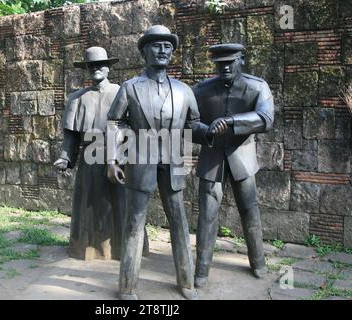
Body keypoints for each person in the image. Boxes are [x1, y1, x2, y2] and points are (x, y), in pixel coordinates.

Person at [107, 25, 211, 300]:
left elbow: (194, 124)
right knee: (134, 224)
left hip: (174, 162)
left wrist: (210, 132)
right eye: (156, 45)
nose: (163, 49)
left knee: (179, 222)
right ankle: (127, 287)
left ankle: (186, 283)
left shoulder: (184, 90)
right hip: (140, 160)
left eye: (168, 46)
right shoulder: (130, 88)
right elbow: (116, 122)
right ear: (144, 52)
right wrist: (112, 159)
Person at [53, 46, 149, 260]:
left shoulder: (122, 92)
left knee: (122, 203)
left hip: (120, 156)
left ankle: (126, 249)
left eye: (100, 64)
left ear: (108, 68)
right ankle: (89, 250)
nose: (95, 68)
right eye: (91, 65)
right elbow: (72, 136)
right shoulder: (77, 98)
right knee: (89, 205)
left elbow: (133, 127)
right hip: (90, 158)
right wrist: (66, 157)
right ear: (87, 69)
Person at [192, 43, 275, 287]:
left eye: (231, 61)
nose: (225, 66)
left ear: (241, 61)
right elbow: (189, 123)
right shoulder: (202, 90)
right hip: (212, 157)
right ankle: (201, 270)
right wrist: (207, 131)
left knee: (250, 211)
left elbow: (266, 118)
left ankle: (258, 262)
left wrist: (231, 121)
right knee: (207, 214)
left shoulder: (257, 86)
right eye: (220, 63)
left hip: (243, 157)